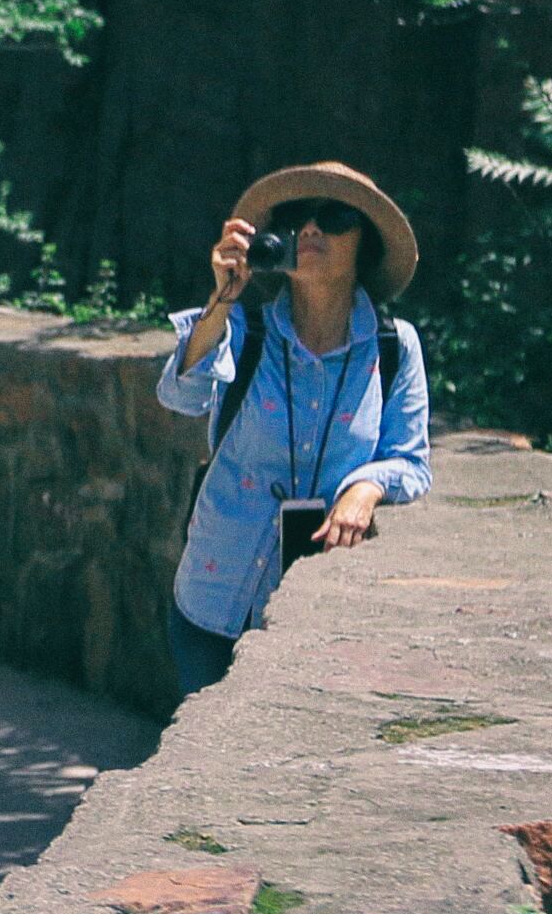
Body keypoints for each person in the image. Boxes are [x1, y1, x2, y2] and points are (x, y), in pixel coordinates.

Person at [150, 159, 433, 693]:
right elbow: (180, 397)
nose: (311, 229)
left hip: (318, 615)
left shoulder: (395, 347)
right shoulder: (243, 327)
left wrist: (366, 488)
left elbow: (413, 460)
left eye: (333, 217)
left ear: (365, 242)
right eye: (298, 216)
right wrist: (222, 298)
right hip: (213, 596)